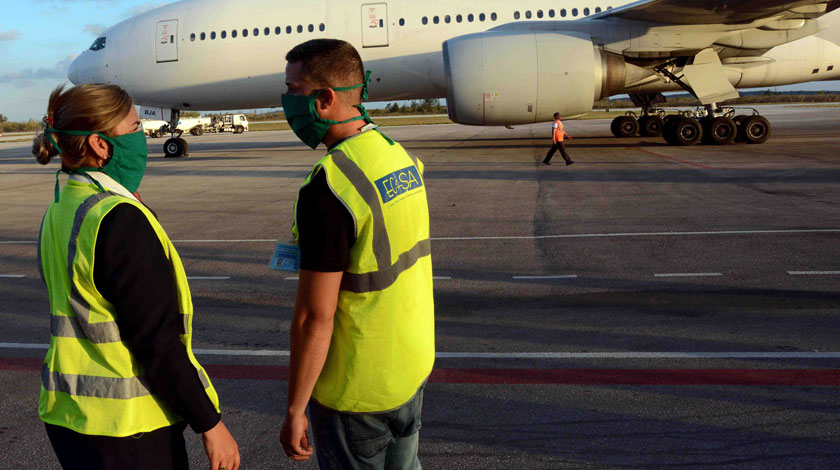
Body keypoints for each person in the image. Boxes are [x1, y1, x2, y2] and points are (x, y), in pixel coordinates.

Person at [33, 84, 240, 470]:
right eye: (133, 127)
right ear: (99, 144)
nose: (142, 136)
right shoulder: (118, 218)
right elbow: (157, 341)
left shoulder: (63, 206)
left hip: (70, 416)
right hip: (129, 429)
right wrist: (210, 424)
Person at [278, 39, 435, 470]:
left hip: (357, 390)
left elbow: (315, 318)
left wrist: (296, 408)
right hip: (409, 367)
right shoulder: (397, 156)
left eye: (292, 90)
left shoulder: (331, 187)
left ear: (324, 99)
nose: (286, 101)